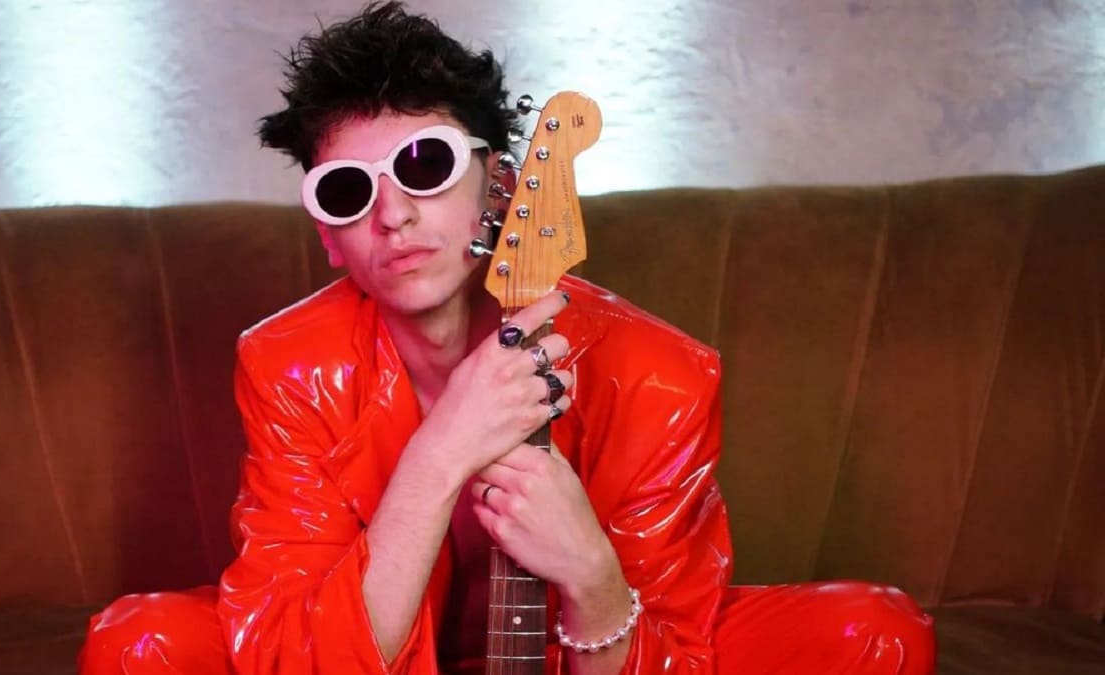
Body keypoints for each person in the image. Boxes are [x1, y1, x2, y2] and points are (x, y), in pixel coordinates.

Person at [79, 3, 937, 674]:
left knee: (877, 632)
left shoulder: (661, 378)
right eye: (347, 190)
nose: (392, 214)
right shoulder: (288, 366)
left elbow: (677, 649)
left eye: (425, 164)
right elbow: (297, 656)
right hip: (377, 653)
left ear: (499, 189)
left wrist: (593, 576)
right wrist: (440, 452)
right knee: (136, 641)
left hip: (579, 655)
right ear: (329, 237)